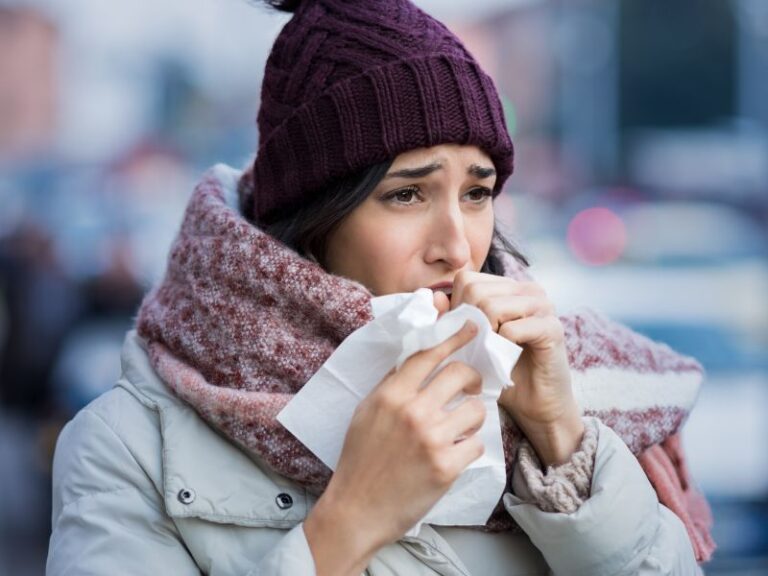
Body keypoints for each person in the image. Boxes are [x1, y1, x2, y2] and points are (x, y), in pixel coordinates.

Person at [46, 0, 715, 574]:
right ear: (313, 219)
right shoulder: (129, 446)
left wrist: (562, 437)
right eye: (407, 194)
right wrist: (346, 524)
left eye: (478, 192)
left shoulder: (552, 381)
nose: (458, 245)